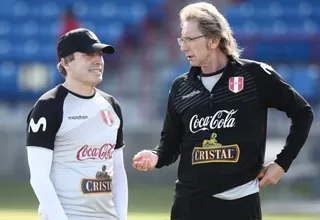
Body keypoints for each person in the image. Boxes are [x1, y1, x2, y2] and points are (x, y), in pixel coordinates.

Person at [132, 2, 314, 220]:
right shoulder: (180, 87)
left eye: (190, 39)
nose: (183, 46)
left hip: (239, 204)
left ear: (214, 40)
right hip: (188, 205)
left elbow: (303, 113)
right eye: (182, 39)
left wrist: (282, 163)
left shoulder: (255, 76)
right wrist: (155, 156)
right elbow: (170, 145)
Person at [26, 28, 128, 220]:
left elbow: (119, 172)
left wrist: (121, 217)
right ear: (65, 62)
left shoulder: (112, 106)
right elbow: (39, 178)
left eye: (99, 54)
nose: (98, 60)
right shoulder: (48, 107)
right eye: (89, 55)